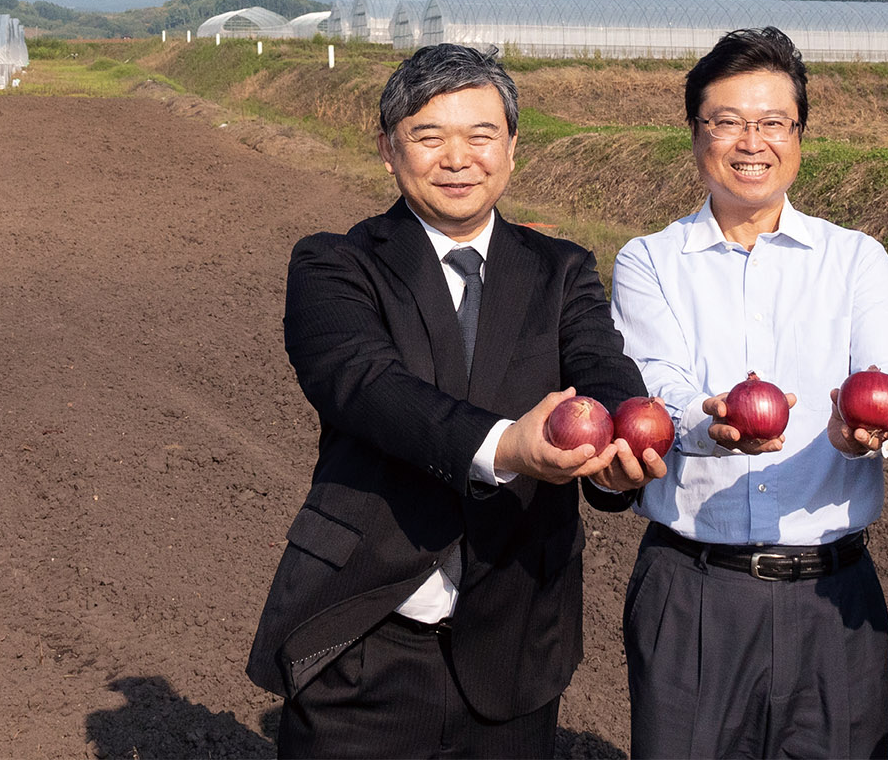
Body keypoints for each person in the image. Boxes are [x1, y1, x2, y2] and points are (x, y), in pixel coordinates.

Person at [246, 43, 664, 759]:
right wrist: (508, 445)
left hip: (514, 648)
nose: (458, 157)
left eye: (481, 135)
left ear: (512, 148)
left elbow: (602, 367)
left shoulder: (560, 269)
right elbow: (366, 385)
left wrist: (621, 449)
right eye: (428, 135)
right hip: (367, 634)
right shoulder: (336, 264)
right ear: (388, 149)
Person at [609, 26, 888, 758]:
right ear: (696, 135)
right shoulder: (649, 261)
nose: (751, 141)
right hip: (694, 592)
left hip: (832, 597)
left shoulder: (854, 260)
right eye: (727, 121)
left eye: (772, 122)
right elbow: (659, 386)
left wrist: (871, 427)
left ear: (799, 135)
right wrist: (707, 420)